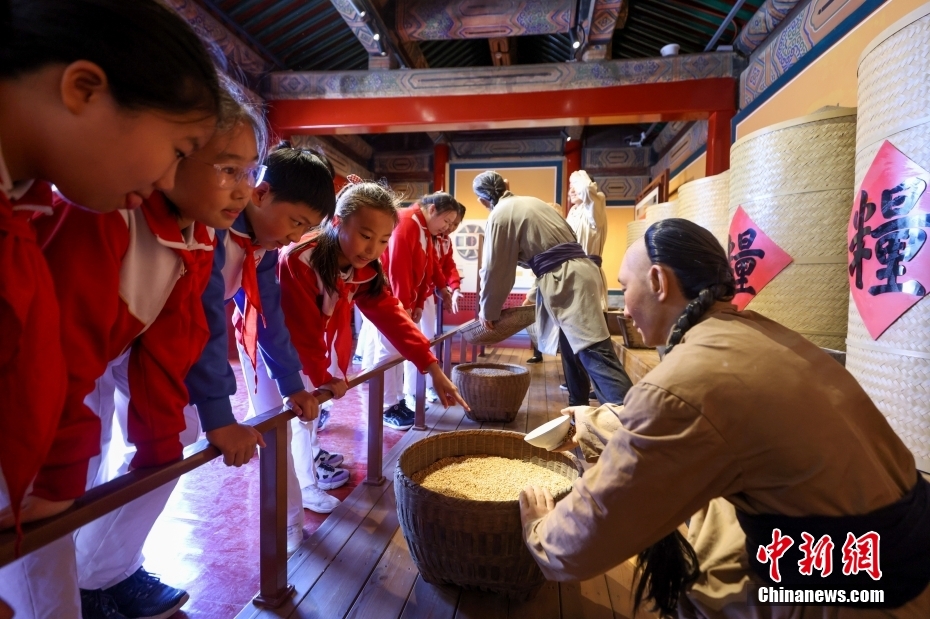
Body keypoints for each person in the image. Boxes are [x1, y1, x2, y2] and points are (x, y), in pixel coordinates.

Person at [519, 219, 930, 618]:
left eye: (625, 288)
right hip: (901, 547)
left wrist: (540, 531)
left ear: (659, 283)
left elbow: (587, 536)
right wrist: (589, 424)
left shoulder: (686, 379)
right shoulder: (754, 333)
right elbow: (692, 424)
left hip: (866, 591)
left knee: (702, 563)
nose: (622, 308)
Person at [0, 1, 221, 617]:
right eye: (181, 149)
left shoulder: (28, 206)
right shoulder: (87, 220)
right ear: (85, 90)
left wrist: (61, 475)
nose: (169, 177)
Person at [40, 82, 265, 619]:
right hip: (41, 375)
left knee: (166, 441)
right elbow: (58, 350)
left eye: (250, 172)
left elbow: (186, 332)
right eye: (228, 169)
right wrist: (54, 471)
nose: (243, 190)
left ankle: (100, 574)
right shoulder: (106, 212)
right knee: (56, 502)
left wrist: (185, 429)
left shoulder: (203, 233)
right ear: (174, 156)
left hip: (96, 357)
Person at [185, 143, 342, 546]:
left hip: (187, 345)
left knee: (171, 441)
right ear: (261, 193)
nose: (293, 235)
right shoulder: (214, 231)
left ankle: (107, 571)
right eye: (295, 221)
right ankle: (99, 575)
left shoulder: (261, 248)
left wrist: (292, 384)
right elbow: (206, 315)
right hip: (166, 344)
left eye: (303, 228)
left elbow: (270, 316)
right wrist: (219, 414)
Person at [278, 180, 469, 444]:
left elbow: (390, 314)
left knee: (308, 407)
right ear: (337, 222)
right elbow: (301, 330)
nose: (373, 250)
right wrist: (322, 375)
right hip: (277, 347)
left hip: (316, 342)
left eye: (383, 240)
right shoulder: (300, 259)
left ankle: (308, 457)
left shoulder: (366, 267)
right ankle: (301, 468)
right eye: (365, 236)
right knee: (285, 414)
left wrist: (433, 368)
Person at [472, 171, 632, 408]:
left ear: (482, 201)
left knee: (594, 351)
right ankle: (577, 409)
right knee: (571, 351)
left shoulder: (500, 214)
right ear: (506, 185)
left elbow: (495, 269)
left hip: (566, 279)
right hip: (576, 273)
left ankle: (631, 419)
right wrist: (533, 296)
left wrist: (488, 311)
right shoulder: (533, 202)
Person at [358, 191, 461, 430]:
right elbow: (398, 269)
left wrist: (421, 299)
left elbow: (429, 264)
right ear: (432, 209)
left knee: (394, 351)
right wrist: (404, 306)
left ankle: (396, 401)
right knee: (388, 352)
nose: (446, 227)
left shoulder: (423, 227)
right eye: (446, 220)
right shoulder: (407, 222)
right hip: (389, 299)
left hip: (401, 301)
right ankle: (386, 406)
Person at [418, 201, 465, 403]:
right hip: (414, 294)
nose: (449, 228)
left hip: (426, 295)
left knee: (428, 341)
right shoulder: (423, 233)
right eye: (447, 222)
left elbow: (447, 266)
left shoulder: (445, 241)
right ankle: (411, 393)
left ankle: (428, 386)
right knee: (413, 344)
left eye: (455, 224)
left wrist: (454, 288)